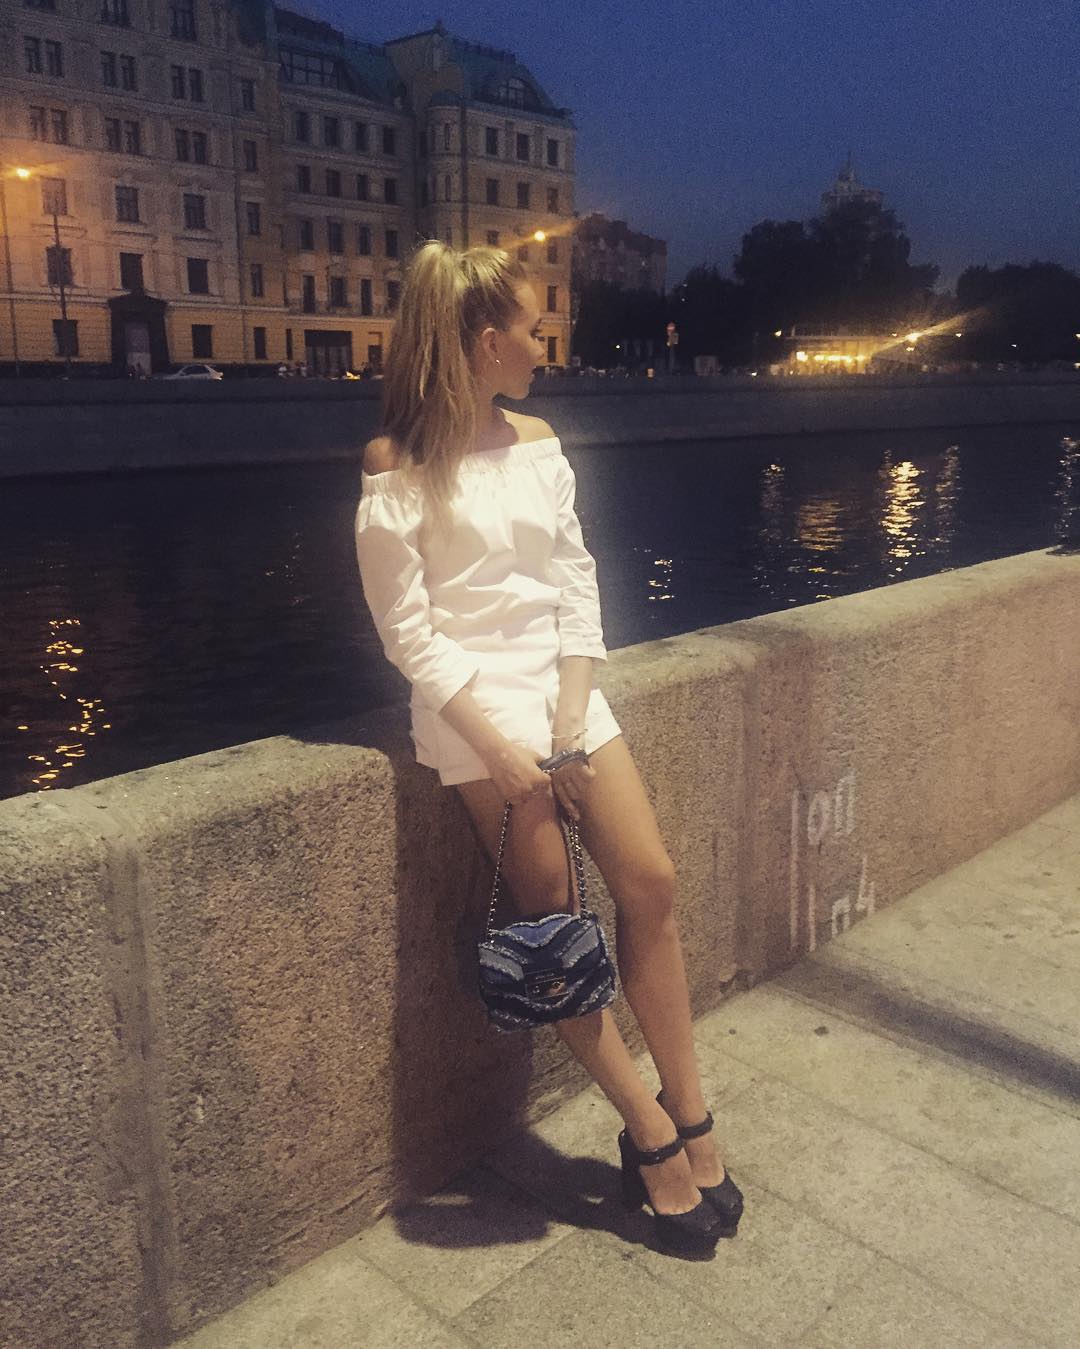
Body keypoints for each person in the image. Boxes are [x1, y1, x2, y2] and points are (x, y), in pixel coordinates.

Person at [354, 241, 743, 1256]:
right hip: (476, 715)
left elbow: (575, 580)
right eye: (535, 330)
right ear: (488, 342)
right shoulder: (395, 467)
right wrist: (503, 748)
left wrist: (571, 719)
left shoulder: (536, 440)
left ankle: (690, 1102)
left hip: (566, 700)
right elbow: (409, 635)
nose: (545, 347)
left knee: (650, 882)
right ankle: (649, 1132)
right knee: (556, 933)